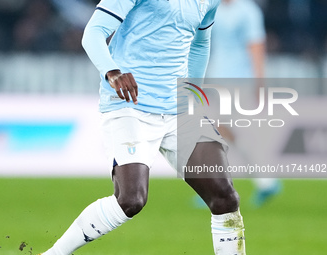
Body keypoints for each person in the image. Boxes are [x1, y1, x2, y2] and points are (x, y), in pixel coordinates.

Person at [39, 0, 246, 254]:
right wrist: (112, 71)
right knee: (131, 200)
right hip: (129, 105)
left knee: (225, 196)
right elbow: (93, 32)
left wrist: (194, 94)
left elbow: (200, 43)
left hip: (178, 108)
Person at [205, 0, 281, 207]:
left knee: (221, 130)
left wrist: (260, 82)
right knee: (225, 132)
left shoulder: (248, 11)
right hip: (217, 77)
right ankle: (264, 181)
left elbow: (256, 47)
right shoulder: (214, 7)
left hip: (240, 80)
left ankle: (217, 185)